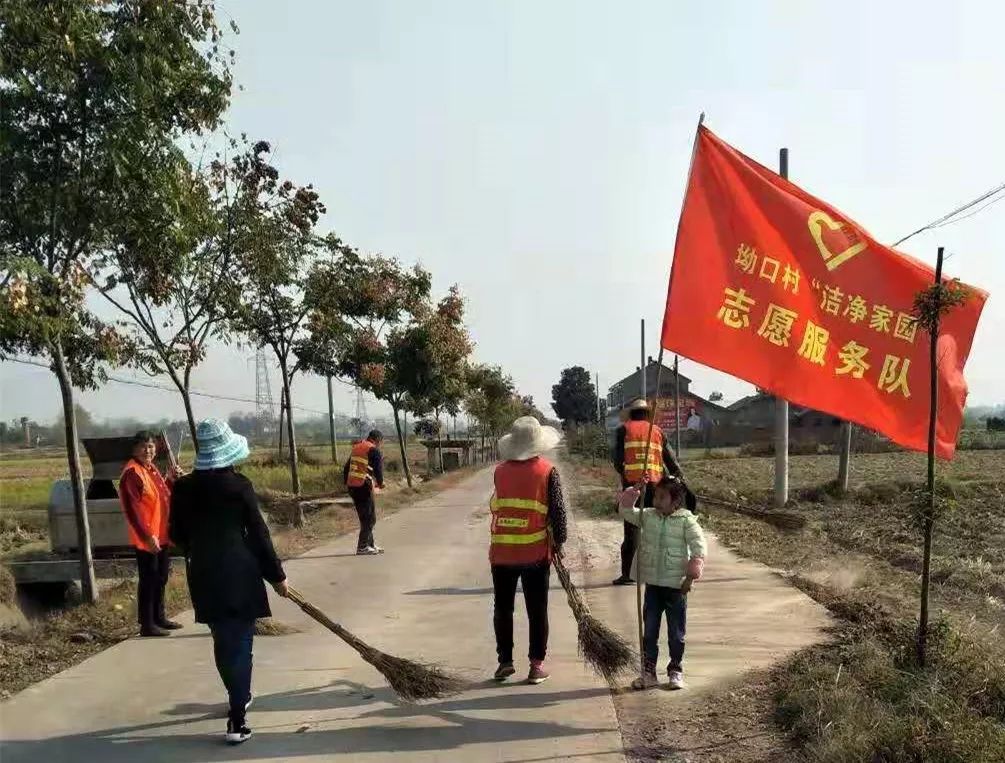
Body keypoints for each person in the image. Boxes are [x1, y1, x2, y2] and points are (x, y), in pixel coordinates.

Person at [169, 418, 289, 746]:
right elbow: (259, 534)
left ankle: (240, 694)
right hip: (239, 571)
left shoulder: (182, 487)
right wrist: (277, 575)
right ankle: (237, 717)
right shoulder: (239, 486)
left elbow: (175, 536)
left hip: (204, 573)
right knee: (241, 645)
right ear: (227, 452)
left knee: (224, 641)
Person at [489, 416, 568, 686]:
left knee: (503, 608)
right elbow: (558, 513)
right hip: (535, 553)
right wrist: (560, 542)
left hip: (502, 552)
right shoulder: (547, 472)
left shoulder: (499, 471)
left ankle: (504, 662)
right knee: (537, 610)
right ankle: (536, 666)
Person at [618, 475, 707, 691]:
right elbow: (625, 511)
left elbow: (699, 548)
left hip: (676, 587)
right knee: (649, 631)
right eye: (655, 496)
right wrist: (634, 492)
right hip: (653, 586)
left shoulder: (687, 521)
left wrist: (690, 577)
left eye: (661, 497)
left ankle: (675, 669)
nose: (656, 501)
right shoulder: (648, 516)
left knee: (676, 633)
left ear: (675, 502)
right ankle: (648, 672)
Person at [611, 398, 688, 586]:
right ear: (647, 413)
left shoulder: (623, 430)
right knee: (659, 529)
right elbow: (671, 461)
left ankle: (628, 575)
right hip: (657, 488)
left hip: (634, 487)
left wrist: (627, 477)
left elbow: (617, 460)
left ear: (631, 413)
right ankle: (663, 570)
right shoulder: (658, 431)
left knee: (632, 531)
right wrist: (679, 480)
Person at [119, 430, 183, 637]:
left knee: (161, 576)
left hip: (161, 534)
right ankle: (147, 624)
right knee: (149, 578)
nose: (148, 450)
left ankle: (159, 617)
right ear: (134, 449)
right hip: (147, 538)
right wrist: (147, 535)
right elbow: (133, 509)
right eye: (144, 446)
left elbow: (163, 495)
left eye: (151, 446)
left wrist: (172, 480)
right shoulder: (132, 473)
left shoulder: (150, 469)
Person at [342, 429, 386, 555]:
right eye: (380, 442)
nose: (380, 444)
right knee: (370, 518)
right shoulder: (373, 450)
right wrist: (381, 483)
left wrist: (347, 483)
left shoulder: (357, 447)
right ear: (377, 439)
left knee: (366, 517)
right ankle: (362, 547)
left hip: (353, 486)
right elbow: (378, 469)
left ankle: (369, 545)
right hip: (362, 486)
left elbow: (346, 468)